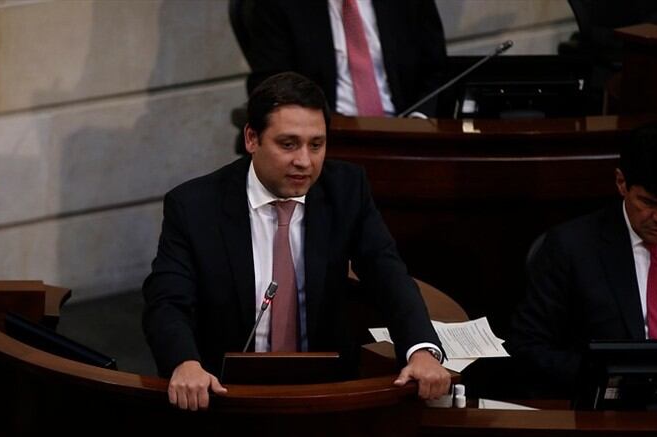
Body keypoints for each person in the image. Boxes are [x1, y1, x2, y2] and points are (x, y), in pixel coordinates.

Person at [143, 72, 451, 410]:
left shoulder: (346, 189)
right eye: (288, 144)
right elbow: (168, 301)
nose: (304, 161)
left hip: (325, 393)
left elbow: (386, 273)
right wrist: (184, 362)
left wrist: (421, 349)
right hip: (224, 394)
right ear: (251, 138)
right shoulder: (194, 206)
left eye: (316, 145)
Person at [509, 123, 657, 397]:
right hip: (611, 408)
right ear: (621, 182)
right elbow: (527, 346)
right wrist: (606, 381)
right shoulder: (571, 246)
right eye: (648, 203)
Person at [245, 0, 447, 117]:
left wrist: (419, 118)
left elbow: (438, 70)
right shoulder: (277, 5)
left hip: (406, 132)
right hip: (328, 139)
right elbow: (270, 85)